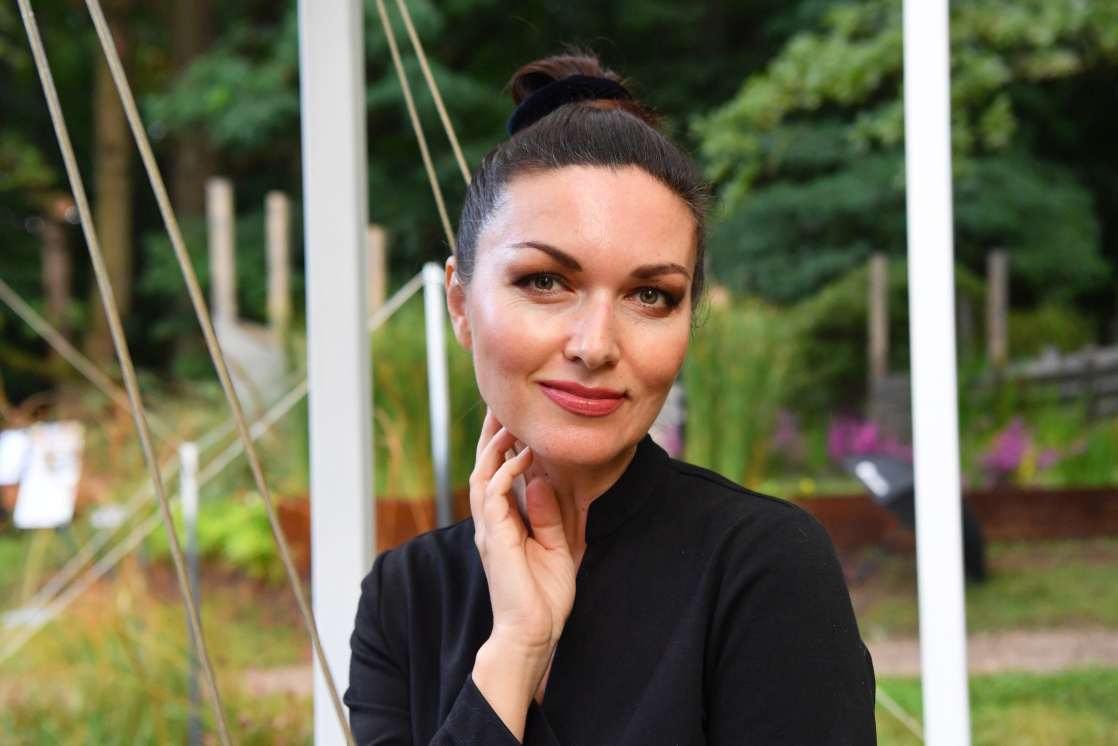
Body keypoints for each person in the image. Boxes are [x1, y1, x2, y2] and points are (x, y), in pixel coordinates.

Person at [345, 53, 877, 745]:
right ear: (460, 301)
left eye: (650, 295)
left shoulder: (764, 568)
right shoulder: (406, 595)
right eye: (545, 281)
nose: (595, 345)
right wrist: (515, 651)